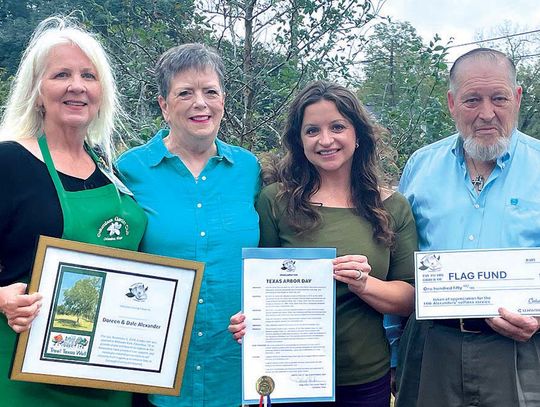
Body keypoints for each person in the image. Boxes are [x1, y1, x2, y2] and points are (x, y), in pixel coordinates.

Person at [229, 81, 417, 407]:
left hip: (363, 377)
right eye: (312, 130)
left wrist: (364, 284)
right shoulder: (275, 200)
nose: (325, 140)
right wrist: (250, 320)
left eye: (338, 127)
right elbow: (262, 287)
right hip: (289, 376)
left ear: (358, 135)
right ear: (299, 140)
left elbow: (410, 298)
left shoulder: (394, 206)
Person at [0, 16, 147, 407]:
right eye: (61, 74)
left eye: (89, 75)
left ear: (102, 92)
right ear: (36, 90)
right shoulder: (8, 161)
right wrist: (1, 298)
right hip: (27, 381)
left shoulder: (111, 171)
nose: (77, 85)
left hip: (109, 378)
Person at [117, 43, 261, 407]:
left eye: (210, 91)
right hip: (156, 373)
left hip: (236, 371)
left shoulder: (250, 170)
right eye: (185, 93)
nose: (201, 103)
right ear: (164, 106)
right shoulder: (128, 170)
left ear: (223, 101)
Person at [395, 48, 540, 407]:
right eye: (472, 99)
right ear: (451, 103)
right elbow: (396, 257)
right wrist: (395, 351)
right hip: (432, 347)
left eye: (499, 98)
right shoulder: (420, 167)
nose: (486, 113)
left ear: (517, 97)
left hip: (521, 351)